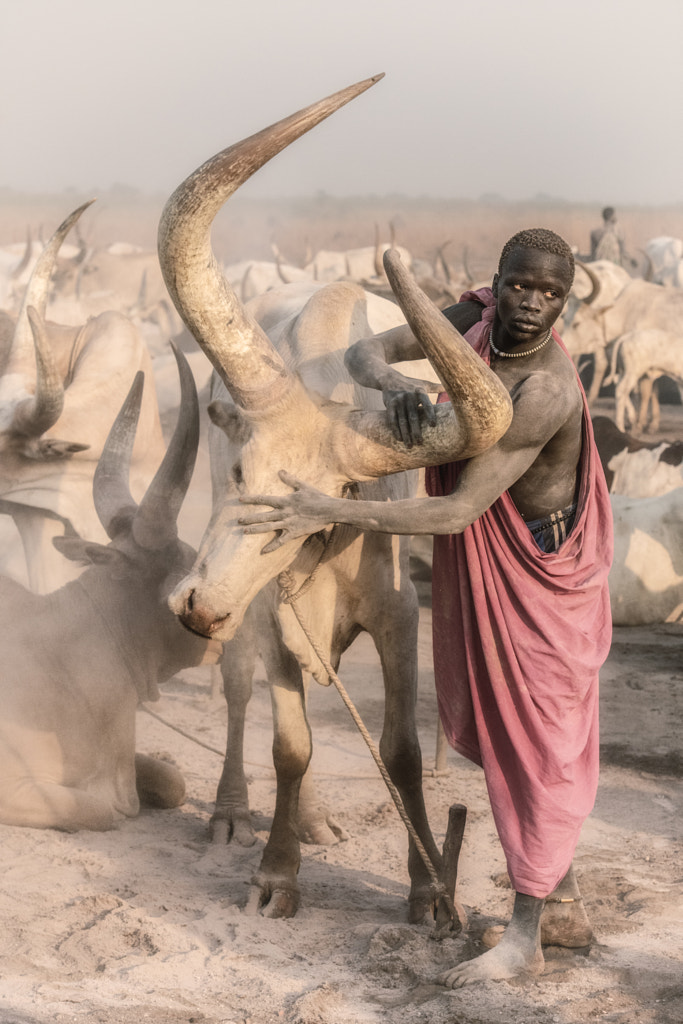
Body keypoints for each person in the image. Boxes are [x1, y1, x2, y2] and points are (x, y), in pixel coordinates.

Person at [238, 228, 614, 986]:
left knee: (534, 744)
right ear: (496, 281)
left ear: (565, 302)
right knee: (525, 736)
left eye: (549, 295)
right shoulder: (469, 321)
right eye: (519, 287)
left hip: (536, 565)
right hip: (492, 556)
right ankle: (564, 904)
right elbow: (362, 353)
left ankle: (525, 936)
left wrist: (327, 509)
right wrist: (396, 384)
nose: (530, 306)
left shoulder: (540, 391)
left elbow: (452, 515)